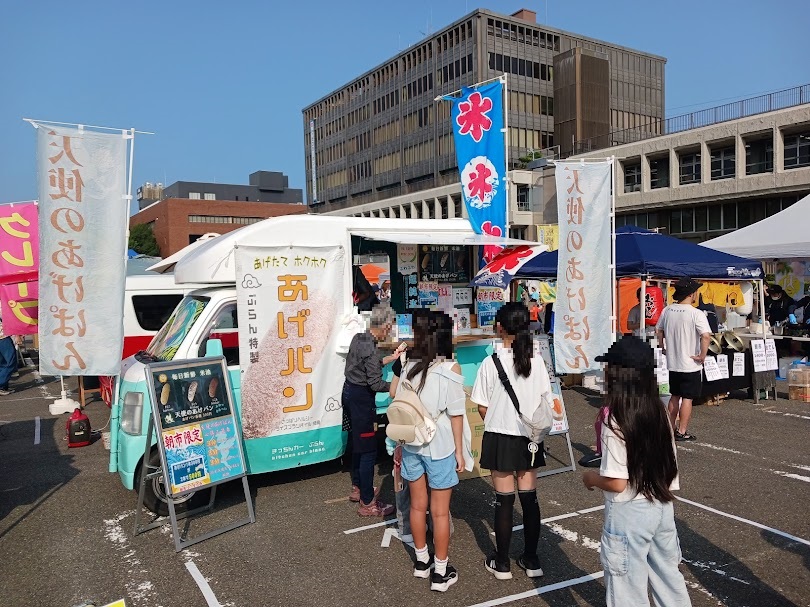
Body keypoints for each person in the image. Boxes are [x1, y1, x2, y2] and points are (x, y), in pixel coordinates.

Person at [583, 336, 691, 607]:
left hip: (628, 512)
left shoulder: (616, 416)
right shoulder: (660, 411)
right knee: (669, 577)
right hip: (661, 504)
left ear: (617, 375)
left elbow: (617, 482)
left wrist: (592, 478)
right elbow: (670, 465)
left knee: (626, 588)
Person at [471, 302, 554, 581]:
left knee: (503, 502)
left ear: (499, 327)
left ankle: (502, 562)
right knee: (529, 500)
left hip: (500, 436)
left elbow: (482, 407)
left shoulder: (490, 363)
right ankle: (532, 559)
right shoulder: (537, 361)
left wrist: (498, 417)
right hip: (530, 438)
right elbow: (545, 399)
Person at [398, 310, 468, 592]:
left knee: (417, 505)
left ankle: (421, 561)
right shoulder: (451, 368)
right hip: (439, 445)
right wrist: (461, 453)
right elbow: (457, 414)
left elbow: (401, 407)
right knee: (439, 512)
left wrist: (399, 446)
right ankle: (440, 572)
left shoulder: (409, 365)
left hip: (411, 441)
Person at [343, 302, 405, 516]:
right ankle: (368, 502)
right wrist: (398, 386)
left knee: (357, 443)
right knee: (368, 449)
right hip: (362, 400)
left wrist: (392, 359)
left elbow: (370, 365)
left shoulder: (359, 338)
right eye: (391, 327)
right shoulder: (371, 347)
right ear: (385, 326)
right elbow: (376, 384)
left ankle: (359, 488)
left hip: (349, 393)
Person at [655, 278, 711, 442]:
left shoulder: (668, 310)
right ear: (692, 293)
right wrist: (702, 355)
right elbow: (706, 336)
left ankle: (670, 428)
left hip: (673, 362)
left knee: (674, 396)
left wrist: (663, 347)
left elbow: (659, 330)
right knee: (687, 398)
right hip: (690, 364)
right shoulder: (696, 313)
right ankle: (682, 431)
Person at [0, 314, 16, 395]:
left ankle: (3, 387)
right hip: (3, 337)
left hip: (3, 336)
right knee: (11, 361)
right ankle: (1, 384)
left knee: (2, 363)